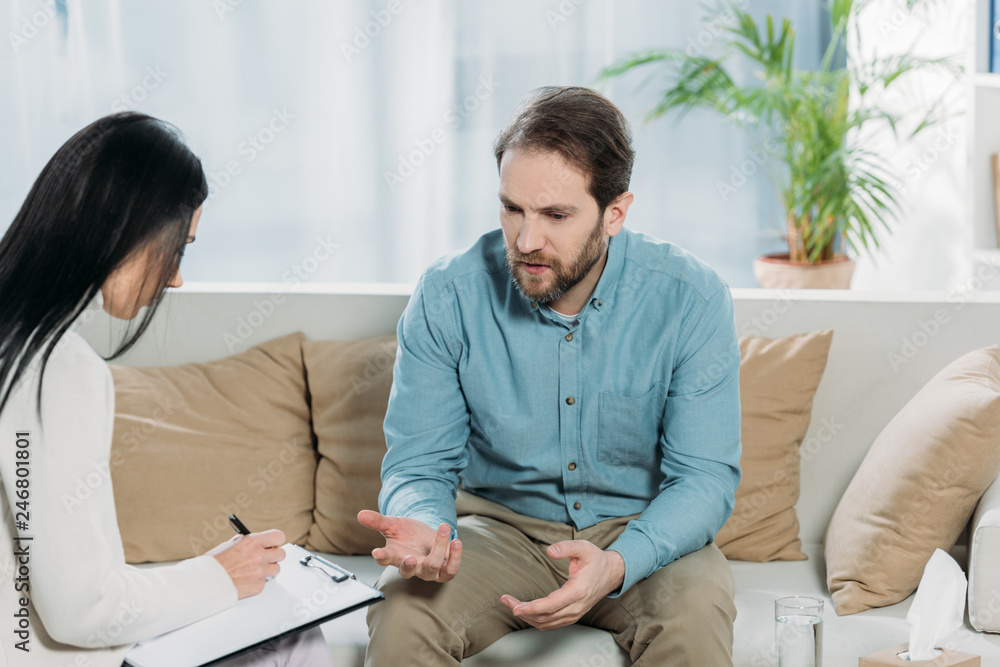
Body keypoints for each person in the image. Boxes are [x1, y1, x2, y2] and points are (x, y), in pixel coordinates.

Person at [359, 86, 742, 666]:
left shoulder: (690, 298)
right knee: (402, 611)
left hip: (641, 532)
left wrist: (618, 562)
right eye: (512, 208)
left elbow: (704, 478)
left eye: (556, 215)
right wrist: (428, 530)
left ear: (615, 213)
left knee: (696, 620)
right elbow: (418, 464)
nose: (527, 240)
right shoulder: (447, 296)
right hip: (500, 532)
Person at [0, 112, 331, 666]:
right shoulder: (58, 369)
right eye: (180, 245)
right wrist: (220, 575)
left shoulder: (19, 342)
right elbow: (83, 610)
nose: (176, 276)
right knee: (297, 634)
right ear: (128, 227)